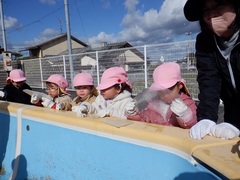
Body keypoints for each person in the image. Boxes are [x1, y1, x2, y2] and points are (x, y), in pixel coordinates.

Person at [184, 0, 240, 139]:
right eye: (205, 10)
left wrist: (236, 122)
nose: (211, 14)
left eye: (219, 5)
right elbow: (208, 80)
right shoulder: (205, 41)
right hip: (231, 110)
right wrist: (206, 118)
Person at [126, 62, 197, 129]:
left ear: (180, 86)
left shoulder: (187, 103)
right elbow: (146, 120)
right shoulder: (153, 102)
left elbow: (193, 126)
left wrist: (186, 115)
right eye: (160, 90)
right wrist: (134, 115)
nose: (164, 94)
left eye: (168, 90)